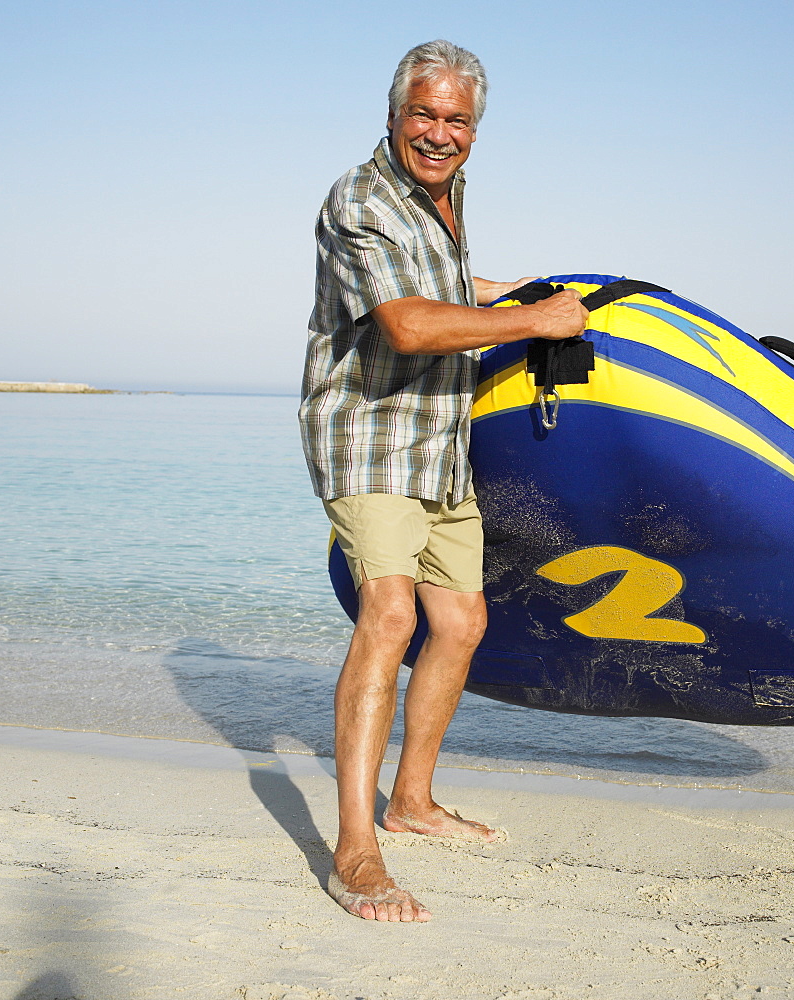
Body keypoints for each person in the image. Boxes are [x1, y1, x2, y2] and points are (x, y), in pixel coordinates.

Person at [299, 39, 588, 923]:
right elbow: (412, 325)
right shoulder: (359, 198)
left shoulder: (447, 194)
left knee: (460, 621)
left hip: (438, 438)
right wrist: (531, 319)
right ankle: (356, 846)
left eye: (455, 119)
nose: (437, 132)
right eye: (422, 113)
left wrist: (536, 293)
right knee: (389, 613)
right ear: (392, 116)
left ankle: (411, 800)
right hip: (368, 430)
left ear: (475, 130)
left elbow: (449, 285)